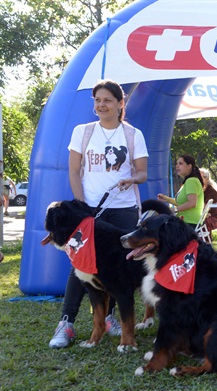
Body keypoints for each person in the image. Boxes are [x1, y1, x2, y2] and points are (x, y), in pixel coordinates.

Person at [49, 79, 149, 348]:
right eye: (97, 100)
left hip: (124, 209)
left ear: (120, 104)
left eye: (107, 100)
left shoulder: (132, 135)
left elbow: (142, 172)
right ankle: (66, 324)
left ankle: (111, 318)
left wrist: (132, 179)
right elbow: (73, 171)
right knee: (79, 267)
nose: (101, 105)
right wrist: (82, 207)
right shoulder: (82, 131)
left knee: (120, 268)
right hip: (89, 213)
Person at [158, 155, 204, 227]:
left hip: (189, 223)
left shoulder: (191, 181)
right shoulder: (189, 181)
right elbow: (181, 203)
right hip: (186, 222)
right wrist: (167, 199)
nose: (177, 166)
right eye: (177, 163)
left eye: (180, 163)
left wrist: (174, 210)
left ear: (189, 166)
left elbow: (192, 203)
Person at [199, 167, 217, 241]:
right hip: (201, 216)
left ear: (207, 178)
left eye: (203, 177)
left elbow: (206, 208)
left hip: (214, 218)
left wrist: (197, 196)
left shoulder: (211, 191)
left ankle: (206, 244)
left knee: (203, 223)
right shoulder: (196, 190)